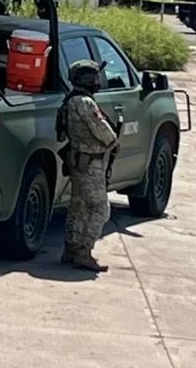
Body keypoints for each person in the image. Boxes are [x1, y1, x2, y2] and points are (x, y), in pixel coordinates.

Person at [62, 60, 118, 272]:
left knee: (78, 207)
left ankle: (70, 248)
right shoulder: (85, 103)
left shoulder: (69, 101)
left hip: (77, 160)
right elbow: (102, 130)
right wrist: (114, 142)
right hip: (89, 162)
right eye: (94, 77)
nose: (97, 82)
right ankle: (84, 251)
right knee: (100, 208)